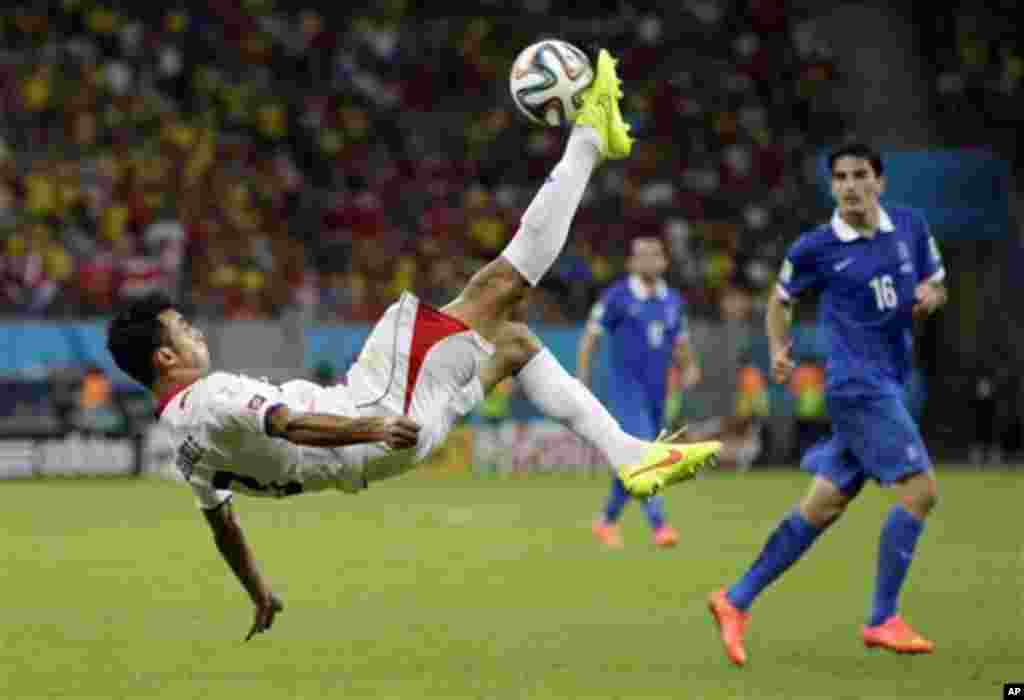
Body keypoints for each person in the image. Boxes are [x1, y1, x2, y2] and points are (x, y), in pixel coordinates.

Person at [106, 51, 722, 642]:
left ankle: (627, 455)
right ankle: (589, 133)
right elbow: (290, 425)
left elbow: (225, 528)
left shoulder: (180, 446)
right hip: (376, 412)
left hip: (391, 448)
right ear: (165, 357)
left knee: (512, 343)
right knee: (498, 286)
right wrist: (367, 427)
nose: (196, 333)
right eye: (183, 328)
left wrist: (259, 592)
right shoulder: (211, 398)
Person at [708, 143, 947, 665]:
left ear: (880, 182)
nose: (849, 186)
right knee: (920, 492)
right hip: (857, 386)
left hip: (890, 380)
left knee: (823, 505)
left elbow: (936, 283)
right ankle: (883, 618)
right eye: (839, 177)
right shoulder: (816, 247)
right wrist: (777, 349)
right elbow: (780, 300)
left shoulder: (910, 227)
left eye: (860, 175)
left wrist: (931, 296)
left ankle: (736, 598)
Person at [577, 237, 701, 548]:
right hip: (624, 391)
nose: (649, 261)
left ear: (664, 262)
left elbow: (681, 342)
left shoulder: (673, 301)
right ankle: (660, 526)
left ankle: (606, 521)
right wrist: (583, 376)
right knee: (644, 454)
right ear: (631, 263)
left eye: (655, 255)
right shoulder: (616, 297)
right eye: (642, 256)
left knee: (630, 461)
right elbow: (591, 337)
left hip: (658, 393)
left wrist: (689, 367)